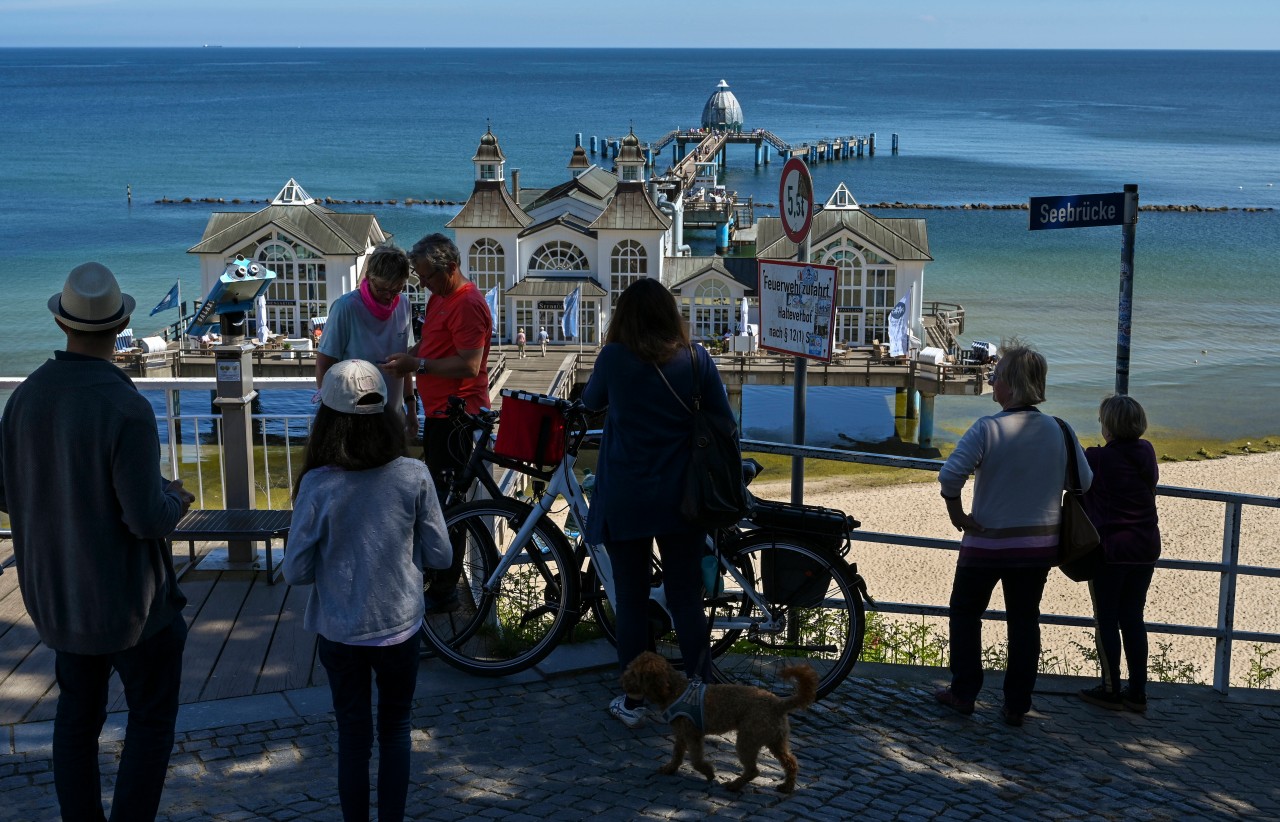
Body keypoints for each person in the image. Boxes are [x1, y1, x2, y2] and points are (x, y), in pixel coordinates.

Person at [0, 262, 195, 821]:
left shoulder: (24, 399)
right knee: (151, 720)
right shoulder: (124, 406)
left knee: (76, 723)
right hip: (131, 605)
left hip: (58, 597)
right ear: (118, 328)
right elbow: (145, 519)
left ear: (63, 326)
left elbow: (9, 490)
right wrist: (175, 499)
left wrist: (61, 498)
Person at [580, 278, 735, 728]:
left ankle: (633, 702)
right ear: (671, 315)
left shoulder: (614, 358)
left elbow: (590, 403)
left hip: (627, 494)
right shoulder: (695, 358)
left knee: (629, 599)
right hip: (682, 498)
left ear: (623, 317)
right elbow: (724, 420)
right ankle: (701, 693)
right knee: (687, 599)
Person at [935, 343, 1092, 727]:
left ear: (1011, 385)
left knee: (966, 613)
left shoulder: (988, 428)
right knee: (1024, 620)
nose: (991, 379)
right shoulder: (1060, 429)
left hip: (986, 542)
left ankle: (964, 692)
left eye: (997, 375)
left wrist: (958, 515)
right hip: (1038, 547)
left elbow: (950, 476)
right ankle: (1017, 703)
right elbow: (1084, 482)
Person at [382, 233, 491, 613]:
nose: (422, 283)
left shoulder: (467, 304)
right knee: (440, 502)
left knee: (449, 506)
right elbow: (431, 346)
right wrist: (409, 357)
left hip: (460, 417)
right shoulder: (441, 297)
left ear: (450, 268)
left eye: (427, 276)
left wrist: (419, 365)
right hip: (440, 414)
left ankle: (445, 589)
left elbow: (470, 364)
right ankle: (441, 579)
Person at [1078, 395, 1160, 713]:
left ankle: (1111, 689)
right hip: (1145, 546)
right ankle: (1137, 692)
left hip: (1112, 548)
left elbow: (1077, 480)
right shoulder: (1147, 451)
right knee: (1133, 618)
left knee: (1107, 619)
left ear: (1108, 427)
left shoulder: (1097, 458)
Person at [317, 244, 414, 436]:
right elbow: (323, 365)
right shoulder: (345, 307)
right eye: (382, 289)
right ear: (368, 278)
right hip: (352, 420)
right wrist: (329, 415)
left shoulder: (403, 304)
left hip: (393, 417)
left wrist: (411, 407)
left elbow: (405, 362)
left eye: (397, 289)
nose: (389, 296)